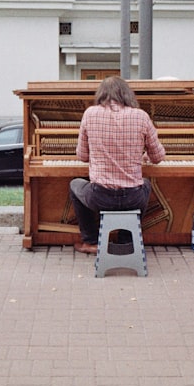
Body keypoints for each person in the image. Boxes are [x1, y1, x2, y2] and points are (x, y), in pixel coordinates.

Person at [68, 76, 167, 255]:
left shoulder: (90, 114)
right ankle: (126, 241)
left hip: (100, 197)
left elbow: (82, 156)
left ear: (101, 95)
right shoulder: (141, 116)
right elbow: (158, 157)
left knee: (75, 184)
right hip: (133, 198)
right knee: (145, 184)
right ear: (127, 95)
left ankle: (91, 241)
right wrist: (142, 155)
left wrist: (100, 153)